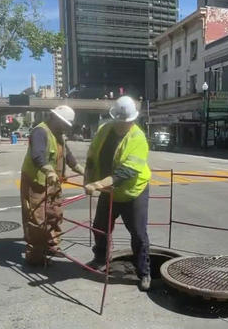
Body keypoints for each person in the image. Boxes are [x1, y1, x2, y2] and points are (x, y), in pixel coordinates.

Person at [84, 96, 152, 291]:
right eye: (120, 121)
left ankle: (144, 272)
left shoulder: (138, 138)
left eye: (127, 122)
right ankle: (100, 258)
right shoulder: (104, 130)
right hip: (109, 190)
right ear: (114, 118)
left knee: (138, 234)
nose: (123, 125)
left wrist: (97, 184)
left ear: (133, 120)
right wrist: (87, 179)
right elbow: (92, 155)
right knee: (99, 226)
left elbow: (126, 172)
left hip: (133, 192)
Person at [20, 105, 85, 266]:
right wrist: (49, 171)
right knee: (37, 219)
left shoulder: (59, 135)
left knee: (55, 214)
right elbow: (37, 155)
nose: (65, 127)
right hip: (37, 182)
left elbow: (68, 156)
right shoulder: (40, 131)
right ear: (55, 119)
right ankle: (35, 256)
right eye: (64, 123)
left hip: (54, 182)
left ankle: (52, 245)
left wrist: (82, 171)